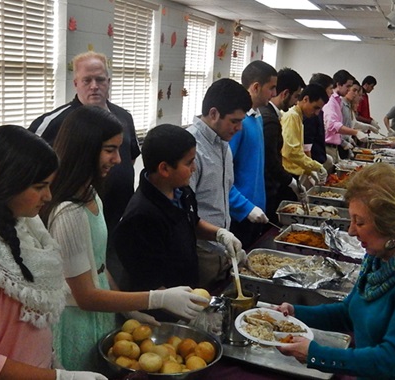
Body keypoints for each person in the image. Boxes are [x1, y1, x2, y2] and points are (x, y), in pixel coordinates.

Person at [0, 125, 105, 380]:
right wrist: (61, 378)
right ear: (7, 184)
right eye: (40, 187)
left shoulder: (24, 226)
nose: (48, 196)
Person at [42, 107, 206, 371]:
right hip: (78, 322)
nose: (118, 159)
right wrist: (156, 299)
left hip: (100, 317)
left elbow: (99, 265)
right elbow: (85, 296)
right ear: (85, 149)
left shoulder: (90, 194)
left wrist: (126, 309)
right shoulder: (68, 214)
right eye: (110, 150)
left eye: (119, 149)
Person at [276, 163, 395, 379]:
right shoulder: (380, 255)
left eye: (359, 222)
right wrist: (295, 314)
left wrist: (315, 354)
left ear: (390, 223)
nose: (351, 231)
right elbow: (349, 312)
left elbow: (391, 360)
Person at [28, 51, 141, 287]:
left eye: (100, 80)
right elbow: (29, 170)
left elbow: (129, 160)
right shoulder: (55, 122)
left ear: (108, 81)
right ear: (75, 83)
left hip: (115, 224)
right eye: (87, 80)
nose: (94, 86)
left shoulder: (123, 117)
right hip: (74, 225)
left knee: (112, 285)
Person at [114, 124, 243, 320]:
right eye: (189, 162)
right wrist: (191, 312)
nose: (194, 168)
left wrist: (219, 234)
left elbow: (192, 222)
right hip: (158, 314)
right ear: (165, 168)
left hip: (186, 293)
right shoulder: (141, 218)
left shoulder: (181, 191)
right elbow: (148, 282)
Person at [186, 78, 252, 290]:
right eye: (234, 121)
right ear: (213, 113)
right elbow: (184, 213)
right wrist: (218, 234)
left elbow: (224, 190)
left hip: (221, 249)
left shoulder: (223, 144)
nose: (239, 128)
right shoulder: (191, 148)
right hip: (201, 251)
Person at [229, 60, 277, 248]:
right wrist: (245, 207)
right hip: (241, 213)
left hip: (256, 210)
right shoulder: (237, 124)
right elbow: (224, 176)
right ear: (256, 87)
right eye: (271, 88)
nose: (274, 94)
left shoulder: (257, 117)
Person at [260, 68, 304, 223]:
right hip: (267, 188)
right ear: (285, 93)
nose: (296, 102)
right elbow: (270, 159)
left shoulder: (269, 114)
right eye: (296, 96)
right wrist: (290, 181)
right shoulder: (269, 120)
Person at [323, 70, 375, 166]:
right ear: (338, 85)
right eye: (348, 86)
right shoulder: (332, 102)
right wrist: (354, 133)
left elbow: (347, 124)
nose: (349, 90)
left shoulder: (338, 101)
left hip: (335, 147)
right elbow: (332, 125)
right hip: (329, 147)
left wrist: (368, 127)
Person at [281, 84, 329, 184]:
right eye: (315, 108)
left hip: (293, 172)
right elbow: (291, 152)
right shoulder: (292, 116)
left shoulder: (299, 117)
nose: (316, 113)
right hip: (287, 174)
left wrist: (309, 170)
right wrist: (315, 166)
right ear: (305, 99)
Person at [303, 73, 334, 170]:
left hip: (318, 160)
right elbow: (306, 146)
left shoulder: (318, 111)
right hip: (312, 162)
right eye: (330, 88)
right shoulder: (310, 114)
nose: (332, 92)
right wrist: (311, 168)